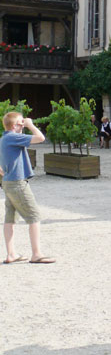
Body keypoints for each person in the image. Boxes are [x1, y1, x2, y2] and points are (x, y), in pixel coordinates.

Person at [0, 112, 54, 264]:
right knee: (34, 217)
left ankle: (11, 254)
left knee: (10, 219)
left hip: (8, 183)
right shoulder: (13, 137)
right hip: (18, 183)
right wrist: (30, 124)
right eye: (20, 123)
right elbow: (41, 138)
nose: (22, 125)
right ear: (13, 125)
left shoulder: (4, 139)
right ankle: (36, 254)